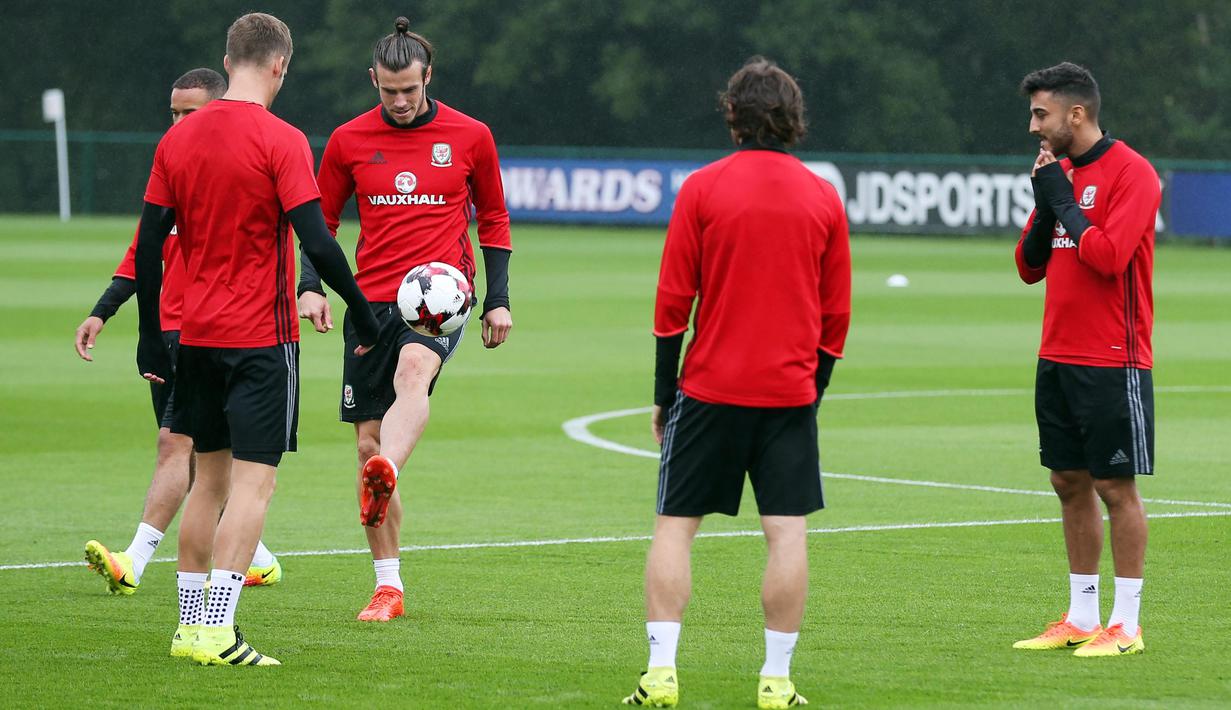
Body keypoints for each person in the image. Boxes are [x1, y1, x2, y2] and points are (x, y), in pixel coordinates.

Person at [134, 12, 380, 666]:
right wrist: (362, 312)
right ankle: (219, 630)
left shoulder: (179, 139)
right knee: (253, 485)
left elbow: (150, 245)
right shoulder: (282, 139)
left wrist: (148, 337)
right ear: (279, 66)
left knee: (208, 482)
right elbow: (317, 240)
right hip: (261, 341)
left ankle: (189, 630)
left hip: (194, 337)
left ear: (228, 59)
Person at [623, 57, 850, 709]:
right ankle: (776, 681)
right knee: (786, 533)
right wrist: (812, 392)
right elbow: (835, 317)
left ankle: (660, 673)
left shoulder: (702, 188)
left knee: (674, 528)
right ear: (794, 119)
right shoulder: (822, 196)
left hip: (708, 391)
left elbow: (673, 303)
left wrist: (663, 394)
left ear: (733, 115)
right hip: (788, 395)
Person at [297, 16, 512, 623]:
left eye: (410, 90)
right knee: (366, 440)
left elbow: (494, 217)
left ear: (428, 77)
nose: (399, 101)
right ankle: (388, 585)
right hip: (368, 302)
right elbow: (320, 221)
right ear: (373, 80)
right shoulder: (347, 140)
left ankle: (387, 468)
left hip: (440, 298)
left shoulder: (470, 135)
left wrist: (497, 298)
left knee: (414, 371)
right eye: (389, 90)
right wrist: (309, 286)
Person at [76, 68, 282, 596]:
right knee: (198, 458)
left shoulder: (231, 176)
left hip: (212, 336)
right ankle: (258, 557)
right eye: (173, 113)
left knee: (177, 445)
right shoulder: (175, 169)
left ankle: (134, 561)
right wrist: (102, 312)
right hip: (167, 334)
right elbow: (141, 254)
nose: (178, 123)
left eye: (190, 113)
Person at [1012, 62, 1160, 657]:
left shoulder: (1133, 173)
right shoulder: (1061, 175)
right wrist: (1049, 204)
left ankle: (1126, 625)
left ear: (1076, 114)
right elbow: (1028, 267)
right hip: (1057, 352)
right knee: (1067, 480)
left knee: (1114, 486)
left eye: (1040, 114)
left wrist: (1063, 200)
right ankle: (1080, 615)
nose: (1032, 126)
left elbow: (1108, 256)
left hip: (1113, 357)